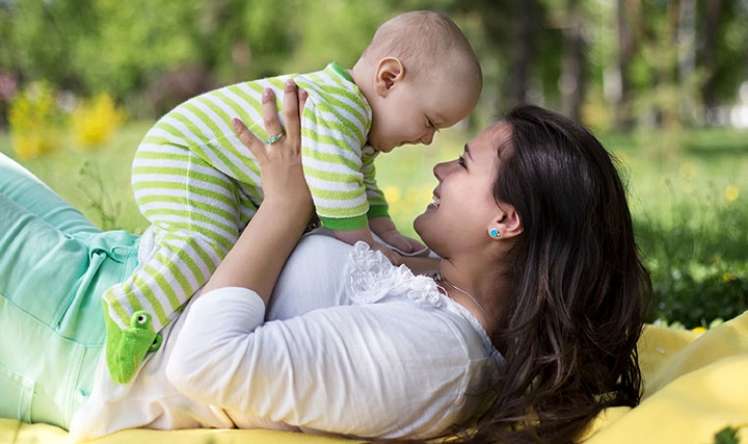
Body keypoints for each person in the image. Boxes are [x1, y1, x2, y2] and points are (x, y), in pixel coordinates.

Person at [0, 82, 649, 443]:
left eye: (466, 162)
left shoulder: (434, 358)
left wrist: (284, 205)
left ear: (505, 220)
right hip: (106, 270)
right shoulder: (434, 284)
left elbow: (201, 365)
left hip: (77, 334)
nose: (441, 165)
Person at [103, 10, 483, 384]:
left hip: (212, 167)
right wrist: (371, 250)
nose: (428, 139)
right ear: (388, 78)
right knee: (209, 240)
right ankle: (134, 307)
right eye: (430, 121)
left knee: (232, 248)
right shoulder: (337, 109)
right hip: (182, 156)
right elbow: (339, 196)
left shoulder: (354, 119)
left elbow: (359, 183)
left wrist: (385, 229)